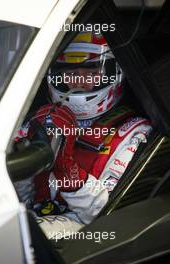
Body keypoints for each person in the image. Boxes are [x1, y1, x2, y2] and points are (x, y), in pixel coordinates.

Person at [14, 30, 152, 240]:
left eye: (91, 72)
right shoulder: (37, 122)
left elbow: (106, 219)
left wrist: (68, 172)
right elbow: (19, 198)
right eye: (69, 72)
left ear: (113, 73)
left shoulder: (134, 132)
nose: (78, 82)